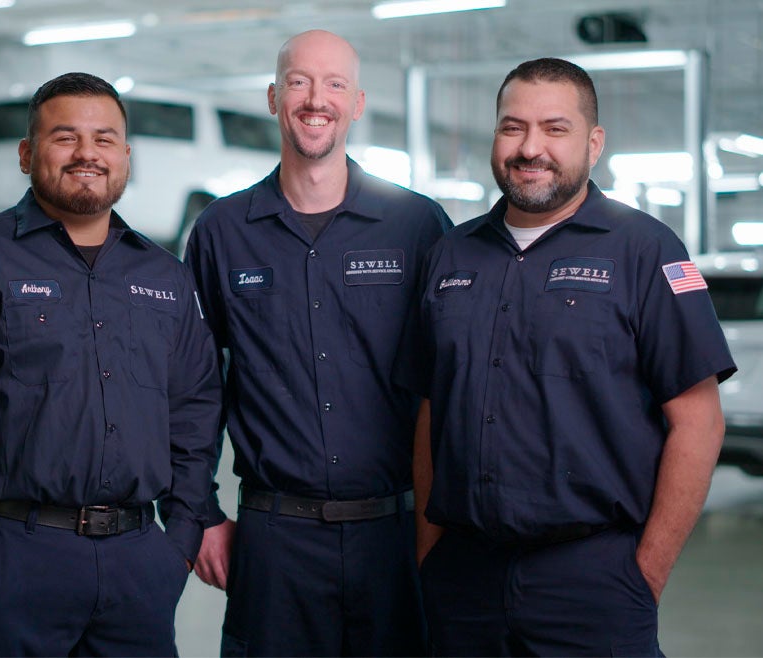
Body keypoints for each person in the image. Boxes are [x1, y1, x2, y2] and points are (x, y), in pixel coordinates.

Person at [399, 57, 737, 656]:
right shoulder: (451, 254)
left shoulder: (645, 249)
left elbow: (699, 421)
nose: (531, 148)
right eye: (513, 127)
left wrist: (643, 574)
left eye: (555, 128)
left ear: (594, 142)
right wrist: (430, 551)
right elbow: (432, 409)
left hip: (594, 580)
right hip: (463, 580)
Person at [0, 72, 221, 657]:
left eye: (104, 139)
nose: (87, 154)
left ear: (126, 157)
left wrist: (177, 541)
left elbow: (194, 414)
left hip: (138, 565)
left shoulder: (166, 278)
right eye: (64, 137)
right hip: (13, 559)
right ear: (27, 154)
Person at [184, 30, 452, 656]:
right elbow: (192, 385)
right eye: (300, 82)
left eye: (335, 84)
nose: (316, 99)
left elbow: (452, 385)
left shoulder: (417, 225)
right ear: (275, 97)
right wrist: (198, 508)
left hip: (398, 536)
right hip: (274, 540)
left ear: (357, 104)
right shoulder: (223, 231)